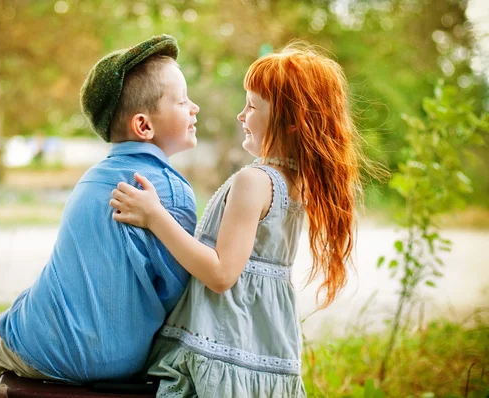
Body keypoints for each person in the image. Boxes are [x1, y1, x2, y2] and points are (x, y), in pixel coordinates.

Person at [0, 34, 200, 397]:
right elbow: (176, 290)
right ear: (143, 126)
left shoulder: (91, 180)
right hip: (119, 359)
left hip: (39, 345)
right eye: (183, 100)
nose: (195, 108)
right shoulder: (173, 193)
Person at [109, 41, 365, 397]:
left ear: (289, 123)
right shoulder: (296, 183)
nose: (242, 116)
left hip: (222, 342)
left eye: (252, 106)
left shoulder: (255, 181)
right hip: (261, 351)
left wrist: (155, 216)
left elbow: (220, 274)